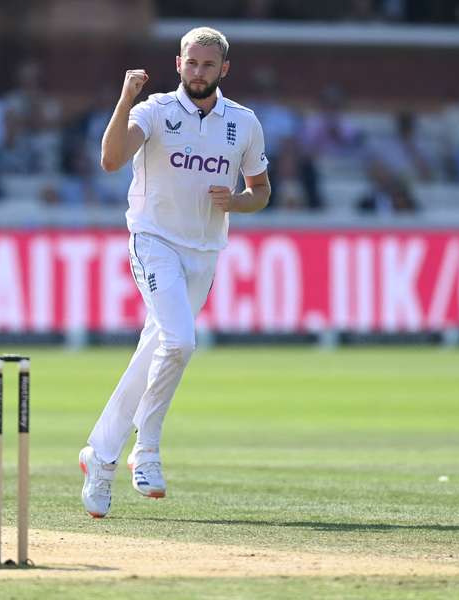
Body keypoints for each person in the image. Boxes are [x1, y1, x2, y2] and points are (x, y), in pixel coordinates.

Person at [79, 27, 271, 518]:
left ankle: (100, 455)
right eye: (192, 63)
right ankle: (146, 450)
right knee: (181, 342)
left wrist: (240, 203)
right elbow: (110, 159)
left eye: (209, 65)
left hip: (204, 252)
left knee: (156, 350)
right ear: (178, 63)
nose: (199, 72)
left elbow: (261, 191)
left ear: (223, 69)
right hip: (154, 241)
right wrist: (124, 100)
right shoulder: (155, 110)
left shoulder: (243, 123)